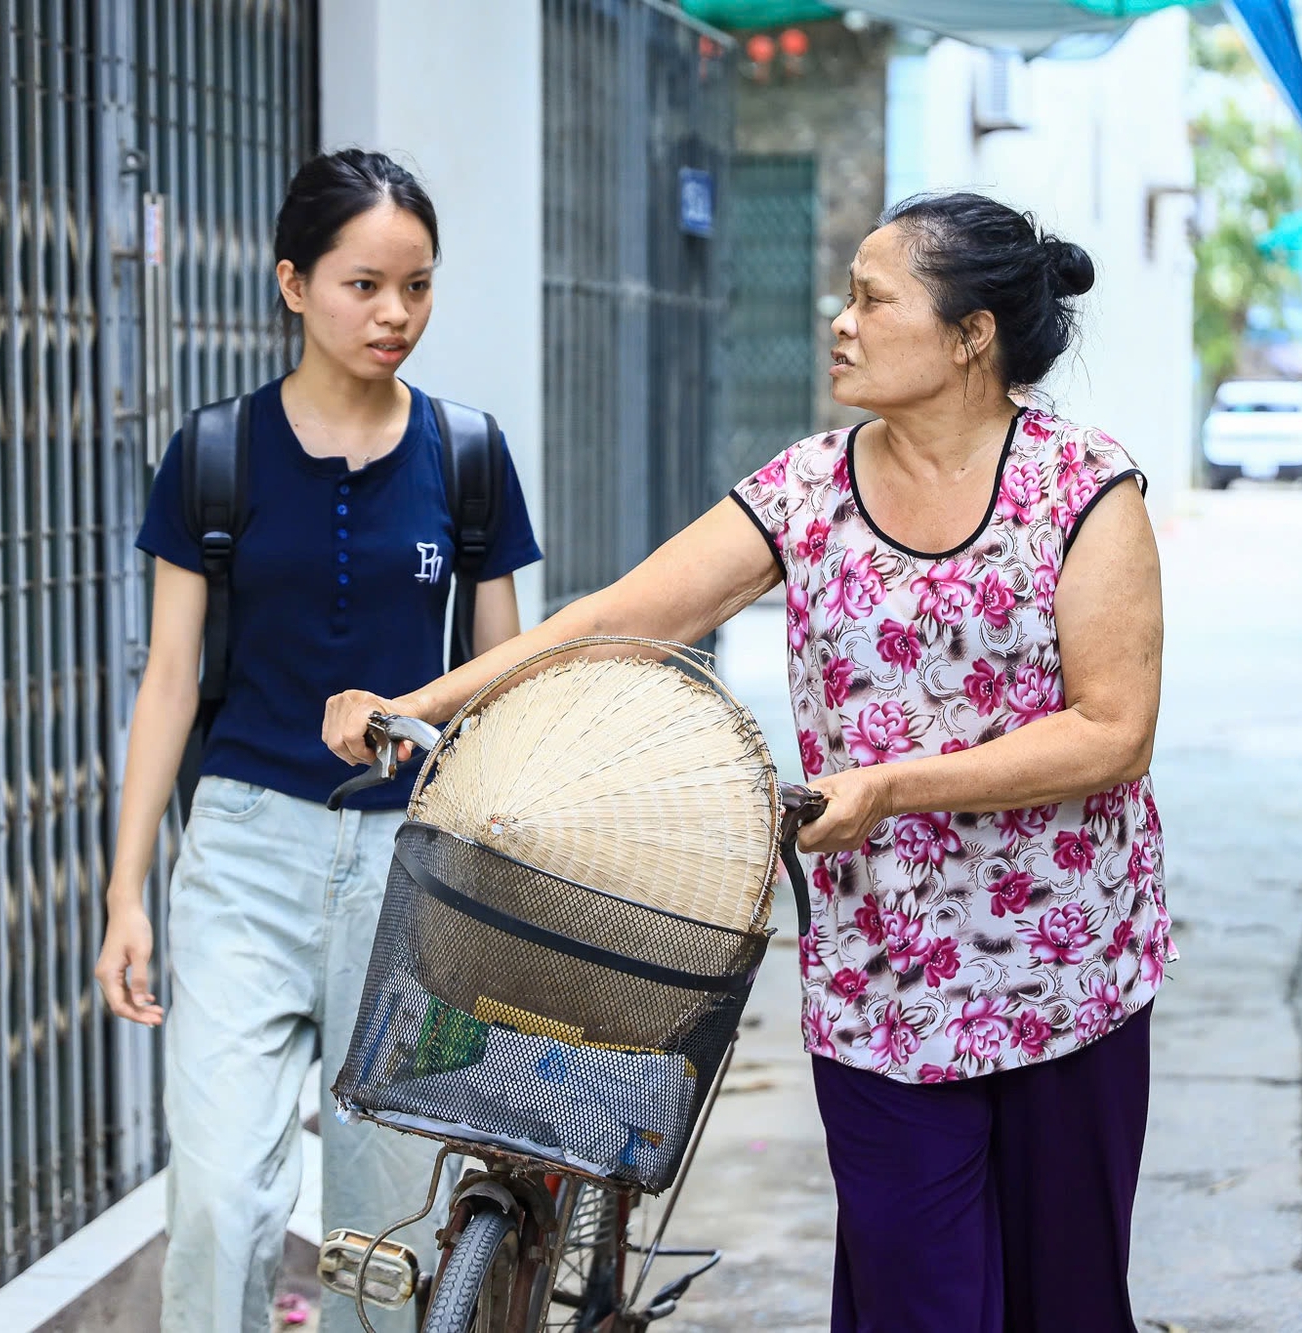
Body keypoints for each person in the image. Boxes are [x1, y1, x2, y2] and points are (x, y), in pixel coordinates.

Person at [325, 192, 1173, 1332]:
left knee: (1064, 1301)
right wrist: (419, 702)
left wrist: (891, 787)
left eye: (872, 298)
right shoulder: (809, 487)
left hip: (1064, 973)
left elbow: (1111, 728)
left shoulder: (1081, 491)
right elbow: (619, 618)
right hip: (880, 982)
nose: (841, 320)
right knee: (916, 1303)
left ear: (970, 336)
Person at [94, 148, 542, 1333]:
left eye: (417, 285)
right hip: (241, 857)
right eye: (362, 285)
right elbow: (171, 679)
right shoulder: (213, 455)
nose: (395, 314)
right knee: (219, 1200)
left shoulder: (469, 455)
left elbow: (504, 684)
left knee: (386, 1222)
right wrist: (125, 891)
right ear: (292, 283)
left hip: (417, 866)